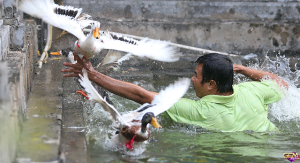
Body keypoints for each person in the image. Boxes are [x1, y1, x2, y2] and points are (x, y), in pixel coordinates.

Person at [61, 52, 288, 132]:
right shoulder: (252, 90)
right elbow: (281, 83)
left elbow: (142, 96)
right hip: (281, 151)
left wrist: (93, 75)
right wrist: (241, 69)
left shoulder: (201, 111)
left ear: (211, 85)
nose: (191, 79)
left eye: (196, 76)